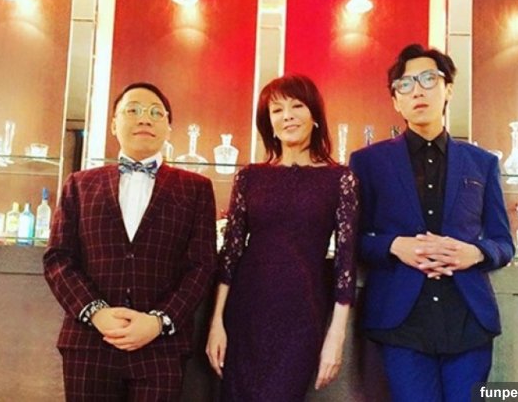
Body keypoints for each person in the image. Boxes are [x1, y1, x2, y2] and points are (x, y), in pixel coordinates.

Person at [349, 44, 515, 402]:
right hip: (401, 320)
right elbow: (353, 239)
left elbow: (504, 242)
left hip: (468, 318)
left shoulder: (481, 162)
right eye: (405, 84)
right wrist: (395, 245)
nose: (417, 91)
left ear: (448, 89)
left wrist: (476, 253)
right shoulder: (368, 162)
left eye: (428, 79)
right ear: (396, 101)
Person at [43, 82, 217, 401]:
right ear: (113, 124)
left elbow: (201, 266)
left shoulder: (196, 189)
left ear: (168, 127)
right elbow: (58, 259)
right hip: (89, 344)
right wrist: (96, 312)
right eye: (132, 110)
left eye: (155, 113)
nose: (144, 118)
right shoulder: (79, 185)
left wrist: (159, 321)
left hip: (160, 348)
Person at [205, 74, 359, 401]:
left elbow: (346, 263)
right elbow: (230, 255)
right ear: (269, 124)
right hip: (246, 311)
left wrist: (336, 335)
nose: (287, 116)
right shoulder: (250, 177)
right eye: (277, 110)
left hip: (302, 314)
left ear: (314, 116)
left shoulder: (339, 179)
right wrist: (216, 322)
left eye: (297, 106)